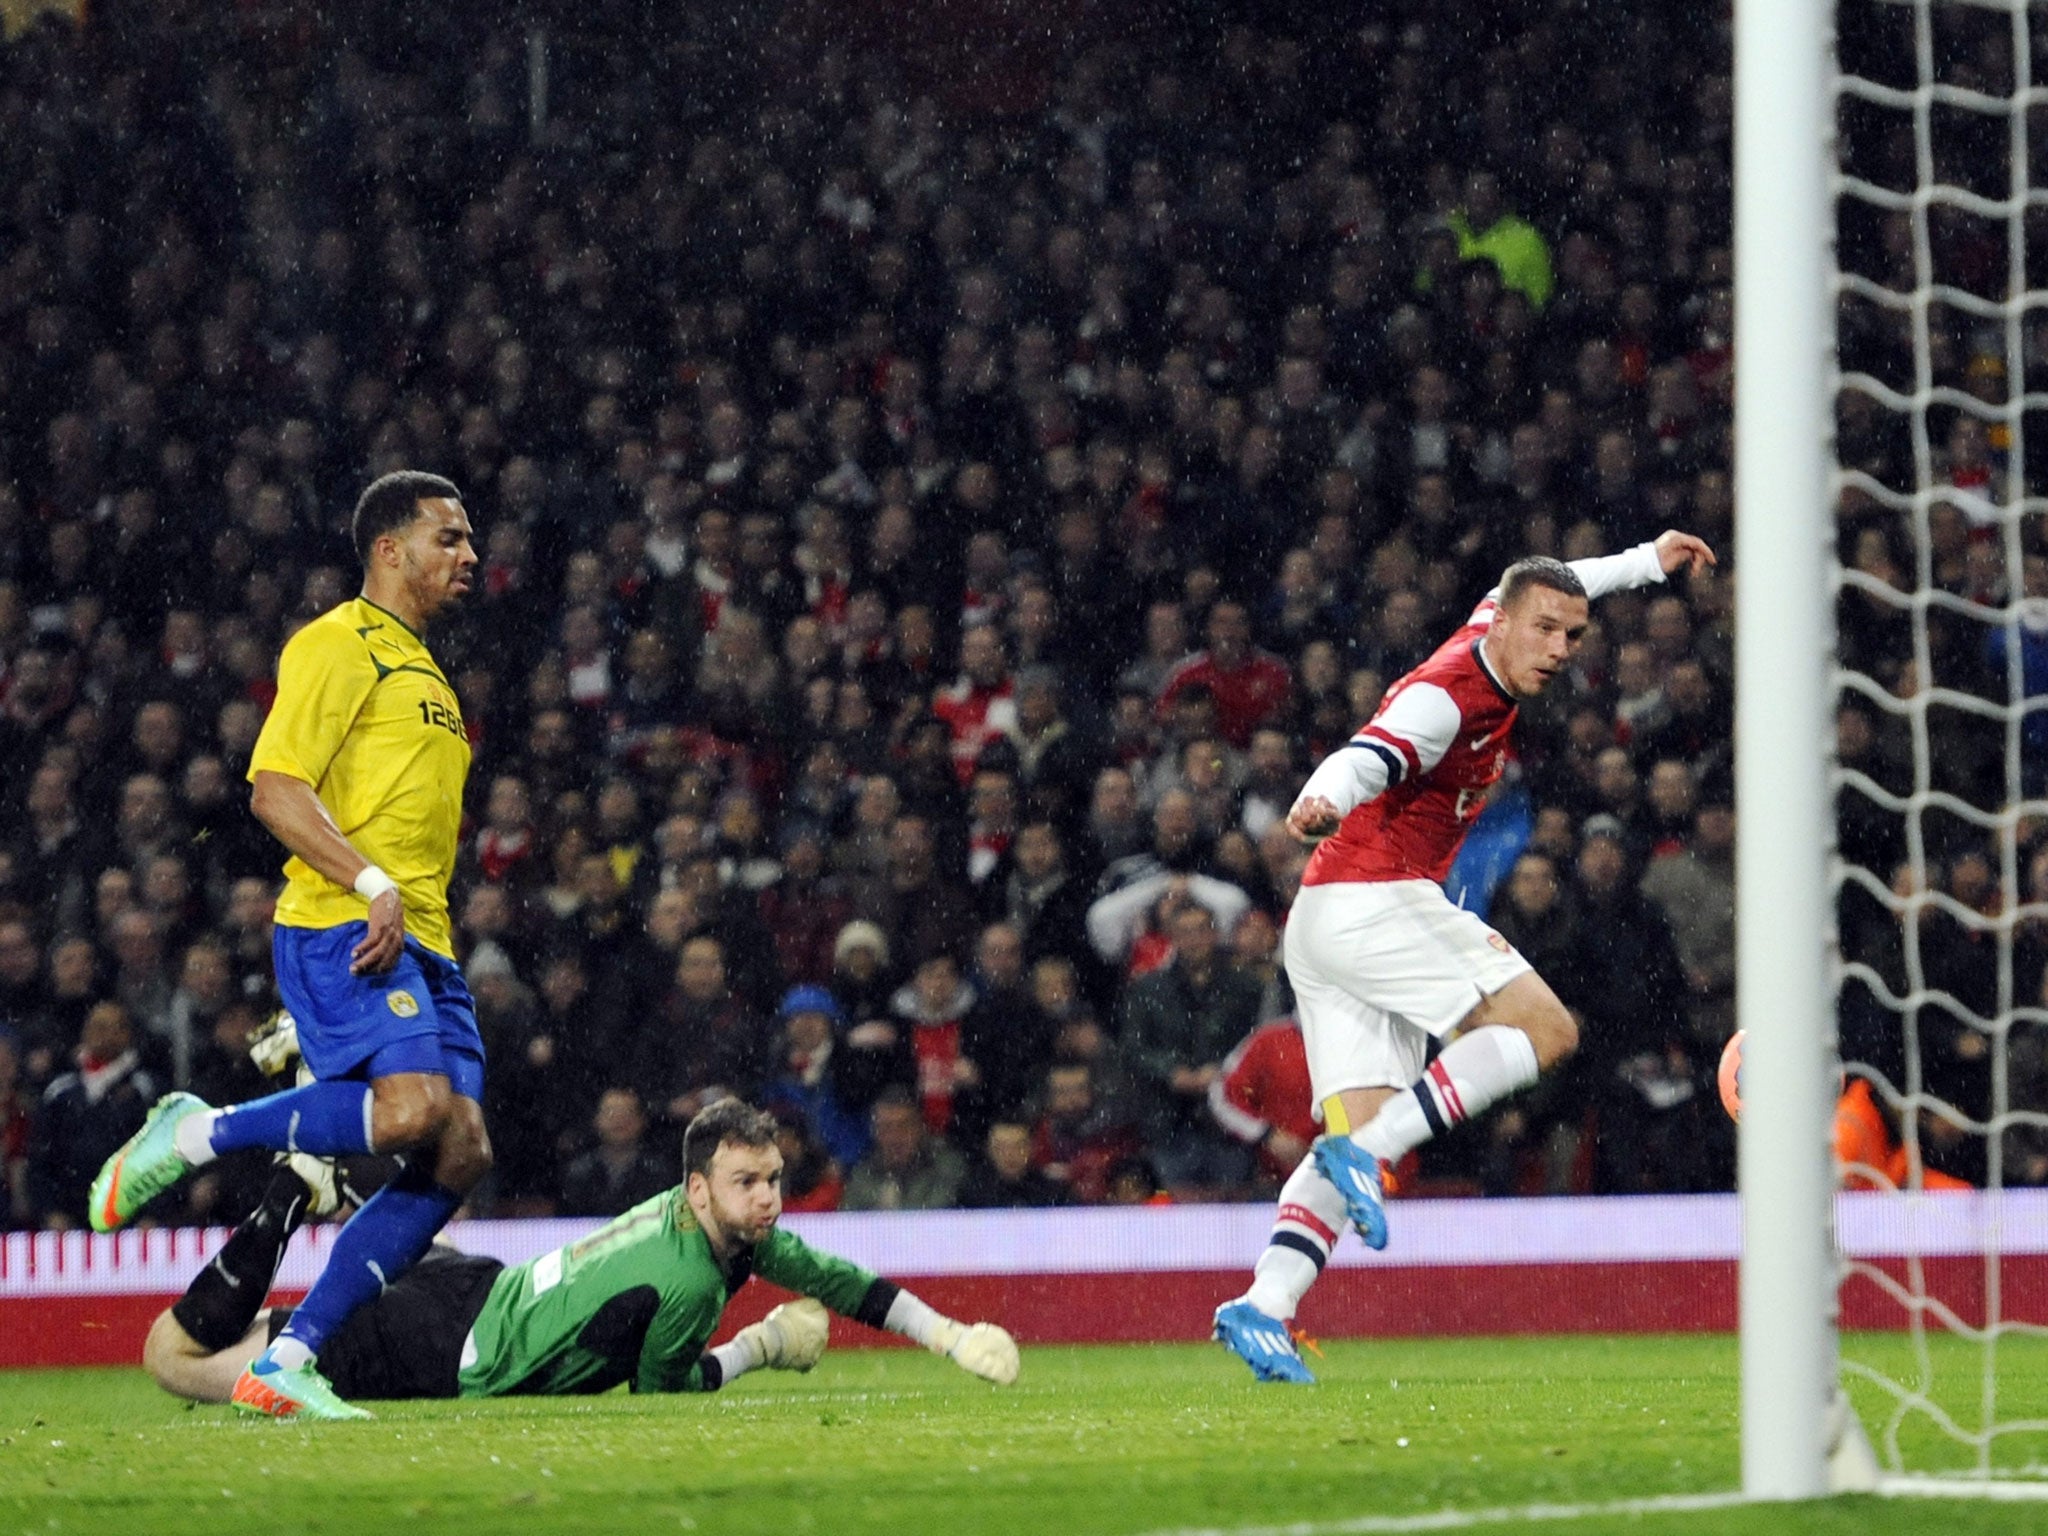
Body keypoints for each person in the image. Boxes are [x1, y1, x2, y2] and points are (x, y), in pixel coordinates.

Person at [1213, 529, 1716, 1383]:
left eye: (1574, 637)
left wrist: (1642, 563)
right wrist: (1324, 795)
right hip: (1377, 898)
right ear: (1503, 623)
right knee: (1546, 1030)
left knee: (1360, 1128)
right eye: (1546, 633)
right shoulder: (1449, 697)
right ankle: (1364, 1155)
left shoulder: (1499, 622)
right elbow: (1375, 748)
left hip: (1326, 923)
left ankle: (1264, 1305)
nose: (1559, 650)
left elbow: (1563, 583)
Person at [88, 471, 492, 1419]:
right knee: (404, 1116)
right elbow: (273, 787)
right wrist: (371, 883)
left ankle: (289, 1358)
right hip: (346, 922)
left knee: (461, 1149)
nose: (469, 555)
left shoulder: (428, 670)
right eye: (450, 538)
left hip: (423, 937)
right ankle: (195, 1132)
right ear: (389, 550)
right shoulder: (338, 643)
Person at [142, 1100, 1018, 1409]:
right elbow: (662, 1392)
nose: (769, 1198)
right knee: (170, 1356)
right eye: (750, 1182)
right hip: (442, 1350)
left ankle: (353, 1192)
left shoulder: (705, 1221)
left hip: (478, 1285)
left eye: (775, 1179)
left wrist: (950, 1334)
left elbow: (847, 1284)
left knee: (414, 1236)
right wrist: (764, 1348)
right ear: (701, 1191)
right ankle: (284, 1200)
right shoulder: (683, 1283)